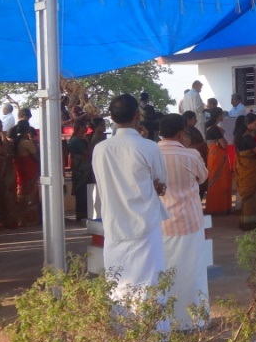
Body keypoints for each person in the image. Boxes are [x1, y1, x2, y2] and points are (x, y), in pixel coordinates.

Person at [90, 94, 169, 303]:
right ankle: (153, 334)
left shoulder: (100, 149)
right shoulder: (149, 146)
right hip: (145, 223)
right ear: (137, 115)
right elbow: (161, 183)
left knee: (118, 284)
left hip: (114, 223)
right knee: (149, 283)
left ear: (111, 117)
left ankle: (122, 331)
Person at [158, 113, 209, 330]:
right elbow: (204, 177)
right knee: (192, 271)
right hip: (189, 222)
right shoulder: (191, 155)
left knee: (164, 271)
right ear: (181, 133)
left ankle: (165, 320)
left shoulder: (151, 153)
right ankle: (194, 320)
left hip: (160, 223)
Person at [235, 115, 256, 230]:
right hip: (251, 171)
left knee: (252, 196)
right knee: (253, 195)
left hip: (246, 170)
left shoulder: (240, 136)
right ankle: (252, 223)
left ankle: (251, 221)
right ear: (248, 124)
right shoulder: (248, 139)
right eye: (255, 123)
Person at [10, 121, 40, 229]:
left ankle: (20, 219)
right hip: (29, 170)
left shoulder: (14, 142)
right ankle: (29, 220)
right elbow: (36, 157)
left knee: (21, 193)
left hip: (20, 170)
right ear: (27, 130)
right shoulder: (26, 143)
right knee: (31, 195)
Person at [203, 126, 233, 215]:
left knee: (219, 182)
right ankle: (217, 208)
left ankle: (219, 208)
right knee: (218, 182)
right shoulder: (214, 128)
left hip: (215, 157)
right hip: (216, 158)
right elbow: (224, 144)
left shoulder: (211, 128)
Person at [68, 117, 93, 221]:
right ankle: (81, 214)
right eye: (85, 126)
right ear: (80, 127)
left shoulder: (80, 139)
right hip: (80, 170)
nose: (86, 129)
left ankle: (84, 213)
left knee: (84, 192)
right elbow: (87, 154)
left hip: (84, 169)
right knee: (81, 192)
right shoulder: (76, 141)